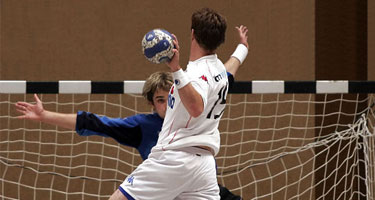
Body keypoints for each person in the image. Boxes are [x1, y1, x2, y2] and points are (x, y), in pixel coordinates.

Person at [16, 23, 249, 200]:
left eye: (170, 96)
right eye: (160, 100)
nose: (166, 104)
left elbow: (225, 73)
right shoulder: (144, 126)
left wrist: (242, 48)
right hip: (164, 182)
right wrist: (45, 115)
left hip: (197, 171)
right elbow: (94, 122)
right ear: (152, 103)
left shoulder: (193, 92)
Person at [112, 7, 249, 200]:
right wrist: (242, 48)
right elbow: (232, 65)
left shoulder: (193, 75)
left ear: (192, 33)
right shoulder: (218, 71)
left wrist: (175, 68)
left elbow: (196, 107)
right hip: (204, 166)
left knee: (118, 198)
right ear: (220, 40)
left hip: (176, 158)